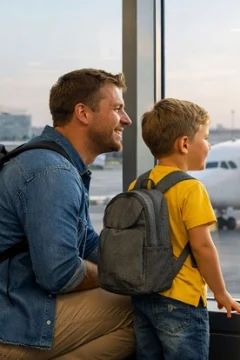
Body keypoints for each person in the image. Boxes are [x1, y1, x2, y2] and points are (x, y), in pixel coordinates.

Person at [0, 69, 135, 359]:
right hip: (10, 320)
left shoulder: (51, 161)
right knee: (140, 312)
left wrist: (137, 266)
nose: (126, 119)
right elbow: (59, 275)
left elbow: (85, 241)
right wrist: (115, 278)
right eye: (117, 108)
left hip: (12, 304)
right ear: (83, 113)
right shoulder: (53, 172)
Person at [130, 98, 240, 360]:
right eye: (205, 138)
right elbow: (202, 246)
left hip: (143, 298)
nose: (209, 145)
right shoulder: (191, 188)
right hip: (181, 301)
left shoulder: (137, 185)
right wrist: (220, 292)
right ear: (184, 144)